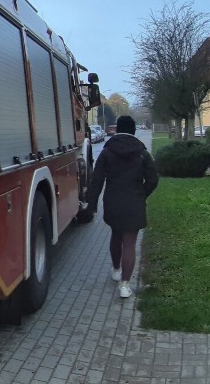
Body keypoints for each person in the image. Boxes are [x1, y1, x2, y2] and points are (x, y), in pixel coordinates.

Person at [86, 115, 159, 298]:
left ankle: (116, 269)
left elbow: (96, 181)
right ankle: (125, 286)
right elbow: (153, 179)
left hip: (113, 201)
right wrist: (142, 194)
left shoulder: (107, 152)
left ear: (117, 129)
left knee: (115, 235)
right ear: (134, 130)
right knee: (130, 244)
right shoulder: (142, 152)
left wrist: (92, 205)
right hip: (134, 202)